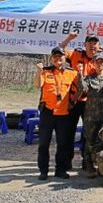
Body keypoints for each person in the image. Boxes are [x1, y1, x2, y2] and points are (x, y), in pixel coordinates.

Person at [59, 32, 103, 170]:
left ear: (99, 46)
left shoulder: (102, 63)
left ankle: (87, 162)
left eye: (95, 43)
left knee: (89, 133)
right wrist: (69, 38)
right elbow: (60, 50)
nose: (92, 46)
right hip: (74, 100)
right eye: (89, 43)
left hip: (91, 102)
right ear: (85, 45)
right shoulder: (76, 54)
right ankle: (66, 162)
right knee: (69, 132)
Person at [34, 46, 79, 180]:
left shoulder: (72, 73)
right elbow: (37, 85)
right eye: (55, 56)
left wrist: (73, 102)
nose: (58, 59)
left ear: (65, 58)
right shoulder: (45, 71)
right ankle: (43, 171)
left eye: (60, 56)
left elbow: (80, 89)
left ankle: (60, 170)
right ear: (51, 58)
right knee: (43, 143)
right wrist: (38, 71)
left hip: (63, 114)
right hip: (47, 112)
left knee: (63, 144)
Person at [78, 52, 103, 178]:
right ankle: (89, 165)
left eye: (102, 62)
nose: (99, 65)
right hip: (92, 117)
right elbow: (82, 89)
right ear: (93, 64)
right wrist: (80, 74)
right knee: (90, 142)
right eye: (97, 62)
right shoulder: (89, 78)